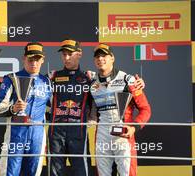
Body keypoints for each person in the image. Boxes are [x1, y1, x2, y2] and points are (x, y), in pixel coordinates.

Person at [89, 43, 151, 176]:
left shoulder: (129, 80)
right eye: (97, 57)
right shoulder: (92, 83)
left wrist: (134, 128)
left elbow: (145, 109)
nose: (100, 59)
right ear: (94, 61)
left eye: (104, 56)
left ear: (112, 58)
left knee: (127, 173)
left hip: (123, 134)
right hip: (102, 135)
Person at [0, 42, 52, 176]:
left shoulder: (47, 81)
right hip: (16, 133)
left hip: (37, 135)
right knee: (9, 172)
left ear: (42, 60)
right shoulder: (11, 78)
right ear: (23, 58)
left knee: (33, 172)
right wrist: (13, 109)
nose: (34, 62)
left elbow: (51, 109)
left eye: (37, 59)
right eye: (30, 59)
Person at [47, 39, 92, 176]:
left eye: (69, 54)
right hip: (56, 131)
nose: (66, 58)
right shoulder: (53, 77)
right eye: (64, 54)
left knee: (81, 171)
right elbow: (28, 87)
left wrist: (136, 83)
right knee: (55, 171)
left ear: (79, 54)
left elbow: (111, 89)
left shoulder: (89, 78)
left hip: (78, 131)